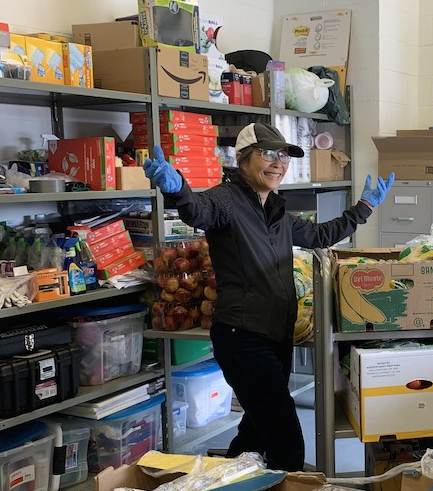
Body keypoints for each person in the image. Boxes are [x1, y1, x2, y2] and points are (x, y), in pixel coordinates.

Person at [143, 122, 394, 470]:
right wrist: (176, 189)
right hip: (242, 336)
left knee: (256, 434)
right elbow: (197, 209)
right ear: (243, 159)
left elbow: (321, 235)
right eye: (268, 154)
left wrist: (364, 207)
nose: (279, 163)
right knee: (287, 443)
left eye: (284, 156)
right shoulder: (226, 200)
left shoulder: (276, 210)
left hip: (277, 335)